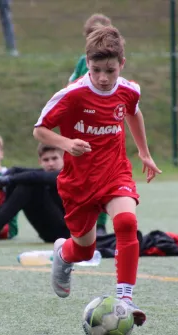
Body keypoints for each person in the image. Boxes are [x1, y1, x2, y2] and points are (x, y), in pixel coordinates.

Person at [33, 26, 162, 327]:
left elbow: (133, 112)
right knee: (84, 249)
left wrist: (144, 152)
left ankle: (125, 299)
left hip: (115, 172)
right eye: (96, 70)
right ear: (86, 63)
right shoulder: (72, 95)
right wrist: (67, 144)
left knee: (127, 223)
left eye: (110, 70)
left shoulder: (128, 90)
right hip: (79, 183)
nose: (104, 77)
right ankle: (63, 256)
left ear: (122, 64)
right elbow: (39, 129)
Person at [0, 144, 68, 245]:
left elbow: (35, 176)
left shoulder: (67, 175)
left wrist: (6, 180)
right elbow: (15, 170)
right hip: (48, 233)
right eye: (46, 160)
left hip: (66, 234)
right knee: (22, 181)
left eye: (54, 158)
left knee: (28, 185)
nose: (50, 163)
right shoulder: (42, 173)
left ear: (63, 159)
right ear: (40, 162)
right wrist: (0, 184)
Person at [68, 13, 113, 236]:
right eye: (93, 35)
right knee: (82, 176)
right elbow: (71, 88)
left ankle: (102, 223)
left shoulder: (112, 64)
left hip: (105, 128)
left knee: (104, 175)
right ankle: (85, 223)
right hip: (84, 128)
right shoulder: (82, 63)